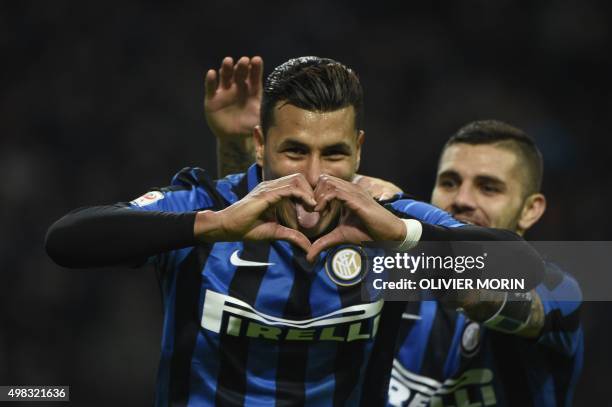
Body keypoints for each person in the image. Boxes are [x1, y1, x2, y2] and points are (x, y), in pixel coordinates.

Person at [45, 56, 542, 406]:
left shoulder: (384, 224)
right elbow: (66, 240)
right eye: (294, 151)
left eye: (334, 154)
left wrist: (402, 235)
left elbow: (522, 267)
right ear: (260, 143)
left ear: (360, 150)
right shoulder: (211, 206)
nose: (312, 176)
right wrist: (212, 227)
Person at [205, 58, 581, 406]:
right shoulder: (391, 276)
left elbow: (495, 295)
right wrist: (239, 153)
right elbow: (247, 259)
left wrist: (396, 219)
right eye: (449, 183)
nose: (463, 200)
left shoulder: (561, 287)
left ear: (531, 210)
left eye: (489, 188)